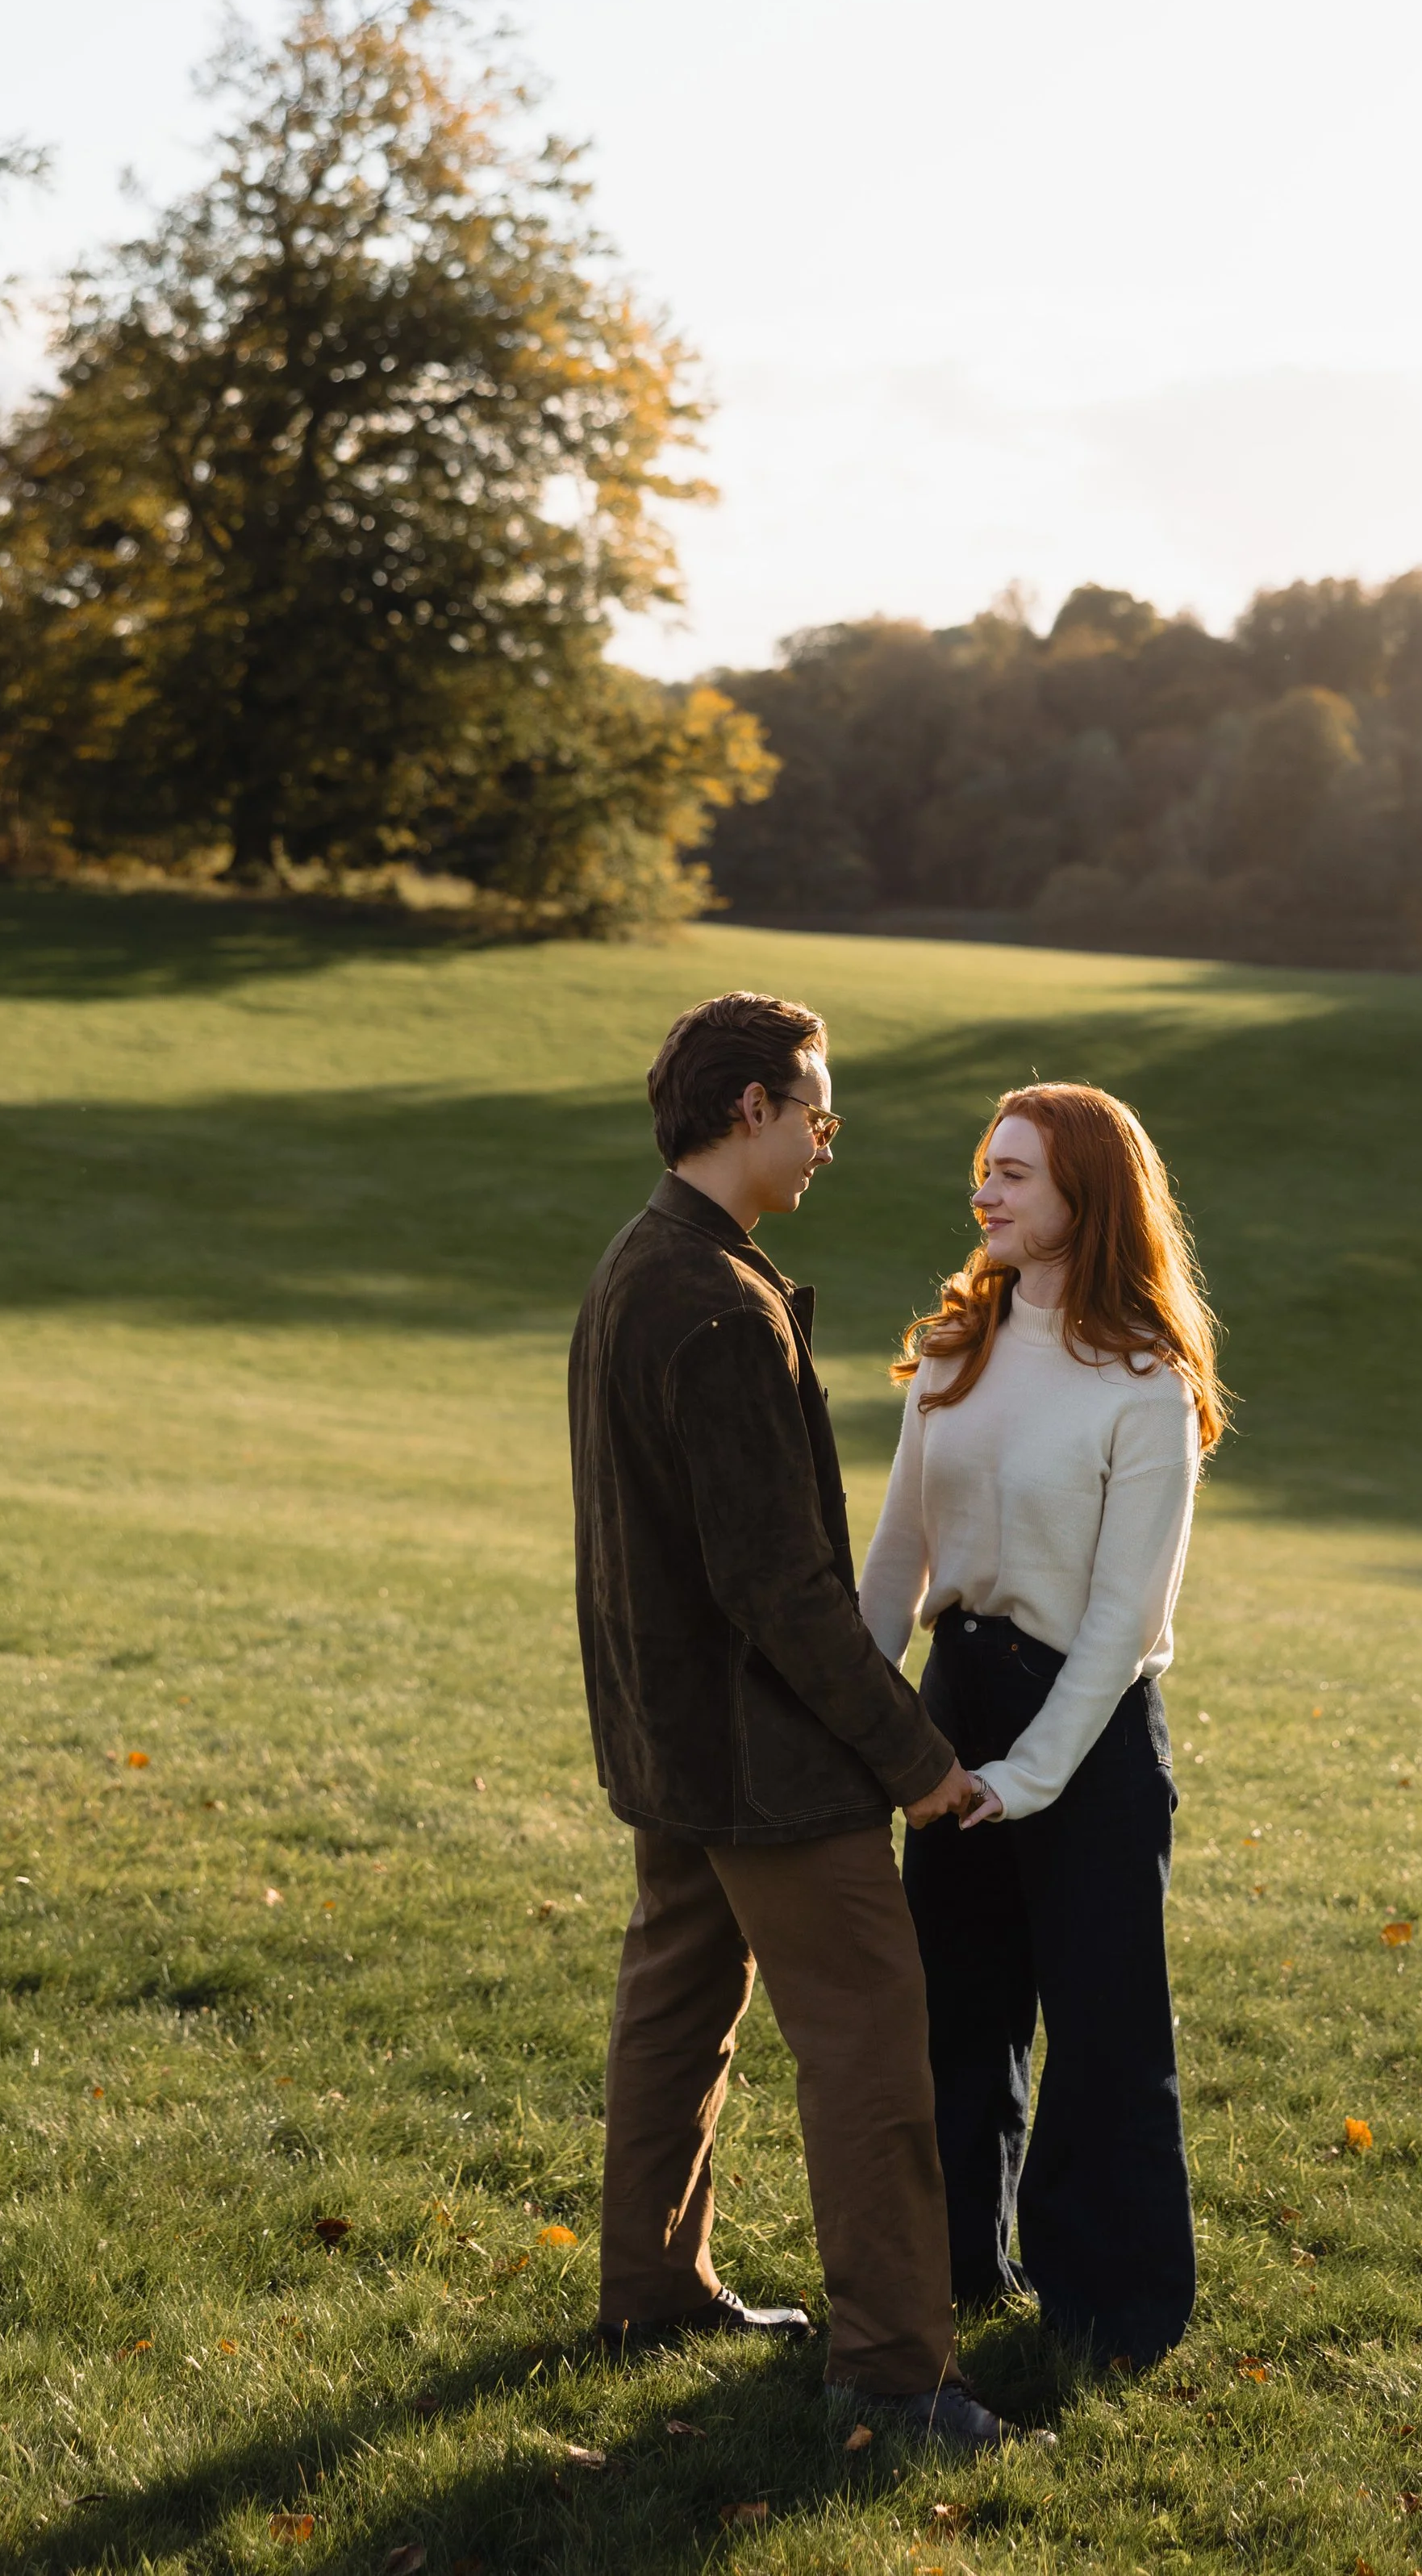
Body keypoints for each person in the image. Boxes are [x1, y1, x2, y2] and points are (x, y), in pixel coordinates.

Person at [569, 991, 1007, 2452]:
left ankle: (651, 2289)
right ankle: (895, 2371)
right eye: (818, 1107)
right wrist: (919, 1759)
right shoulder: (709, 1304)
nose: (831, 1136)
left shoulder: (643, 1262)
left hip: (671, 1742)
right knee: (874, 2040)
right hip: (763, 1765)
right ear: (748, 1106)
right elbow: (782, 1589)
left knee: (677, 2005)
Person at [857, 1082, 1226, 2368]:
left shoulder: (1147, 1386)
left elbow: (1125, 1620)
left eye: (1014, 1172)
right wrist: (870, 1724)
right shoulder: (955, 1348)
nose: (986, 1192)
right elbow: (898, 1557)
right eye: (983, 1168)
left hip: (1092, 1733)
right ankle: (957, 2269)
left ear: (1089, 1195)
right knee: (956, 2017)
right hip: (951, 1715)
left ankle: (1109, 2314)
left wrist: (1029, 1776)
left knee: (1106, 2030)